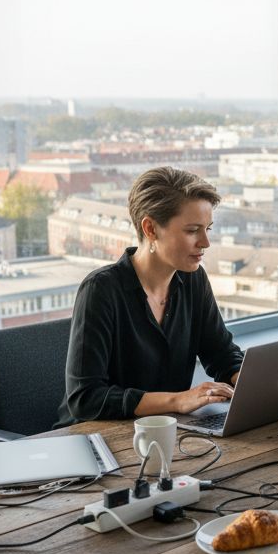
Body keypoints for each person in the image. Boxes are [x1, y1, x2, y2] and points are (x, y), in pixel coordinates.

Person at [54, 167, 243, 427]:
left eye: (207, 229)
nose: (205, 242)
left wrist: (254, 382)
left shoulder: (193, 279)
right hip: (94, 436)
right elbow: (85, 398)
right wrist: (177, 401)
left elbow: (221, 354)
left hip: (164, 428)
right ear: (151, 228)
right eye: (192, 231)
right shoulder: (101, 290)